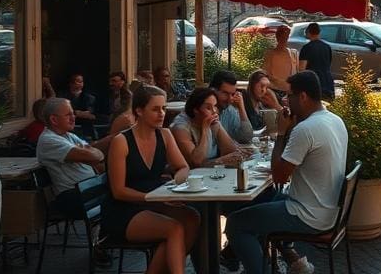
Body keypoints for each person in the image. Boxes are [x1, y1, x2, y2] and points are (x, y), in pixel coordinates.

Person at [225, 71, 347, 274]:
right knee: (263, 198)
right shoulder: (335, 120)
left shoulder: (306, 129)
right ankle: (270, 261)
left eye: (288, 95)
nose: (284, 100)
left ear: (303, 97)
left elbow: (280, 176)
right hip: (329, 210)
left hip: (307, 214)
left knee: (235, 224)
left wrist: (281, 133)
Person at [104, 85, 199, 274]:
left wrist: (175, 184)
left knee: (192, 218)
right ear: (139, 110)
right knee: (174, 229)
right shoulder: (121, 142)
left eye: (163, 108)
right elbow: (118, 191)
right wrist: (154, 197)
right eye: (155, 109)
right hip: (124, 209)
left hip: (154, 202)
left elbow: (183, 167)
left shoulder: (164, 135)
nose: (162, 114)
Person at [36, 97, 104, 214]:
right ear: (54, 119)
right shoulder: (49, 140)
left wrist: (92, 152)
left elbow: (95, 154)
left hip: (87, 189)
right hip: (72, 196)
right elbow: (95, 157)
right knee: (120, 193)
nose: (73, 118)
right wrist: (93, 152)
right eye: (68, 115)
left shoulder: (68, 135)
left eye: (73, 114)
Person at [170, 86, 246, 168]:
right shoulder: (181, 127)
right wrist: (205, 129)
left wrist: (218, 126)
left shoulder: (212, 121)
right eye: (208, 108)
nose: (214, 111)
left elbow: (231, 152)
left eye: (215, 106)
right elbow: (195, 162)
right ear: (196, 110)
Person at [209, 70, 254, 144]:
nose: (230, 99)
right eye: (225, 93)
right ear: (212, 90)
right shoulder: (202, 112)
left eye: (232, 94)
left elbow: (246, 138)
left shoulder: (229, 111)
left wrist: (241, 108)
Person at [298, 22, 335, 100]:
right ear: (319, 32)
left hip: (314, 83)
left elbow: (302, 69)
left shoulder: (306, 48)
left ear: (308, 32)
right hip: (327, 81)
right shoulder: (327, 47)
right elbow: (329, 64)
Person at [263, 24, 299, 94]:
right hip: (275, 89)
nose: (284, 39)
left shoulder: (294, 53)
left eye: (286, 36)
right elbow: (266, 73)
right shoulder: (270, 54)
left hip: (290, 90)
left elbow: (297, 72)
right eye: (282, 37)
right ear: (277, 38)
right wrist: (281, 83)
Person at [63, 72, 97, 138]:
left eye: (82, 81)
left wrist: (76, 113)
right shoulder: (63, 97)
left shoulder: (89, 97)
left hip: (85, 124)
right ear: (71, 83)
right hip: (67, 124)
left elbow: (90, 114)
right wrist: (76, 113)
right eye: (78, 81)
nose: (81, 83)